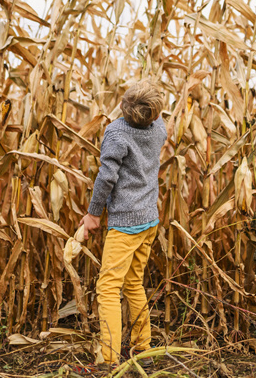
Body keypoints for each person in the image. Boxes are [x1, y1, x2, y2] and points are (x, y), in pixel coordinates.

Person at [79, 79, 167, 368]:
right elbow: (152, 114)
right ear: (153, 114)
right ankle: (142, 346)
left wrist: (93, 213)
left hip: (126, 224)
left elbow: (106, 177)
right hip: (149, 219)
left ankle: (107, 359)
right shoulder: (160, 127)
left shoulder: (116, 133)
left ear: (123, 104)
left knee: (107, 287)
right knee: (133, 283)